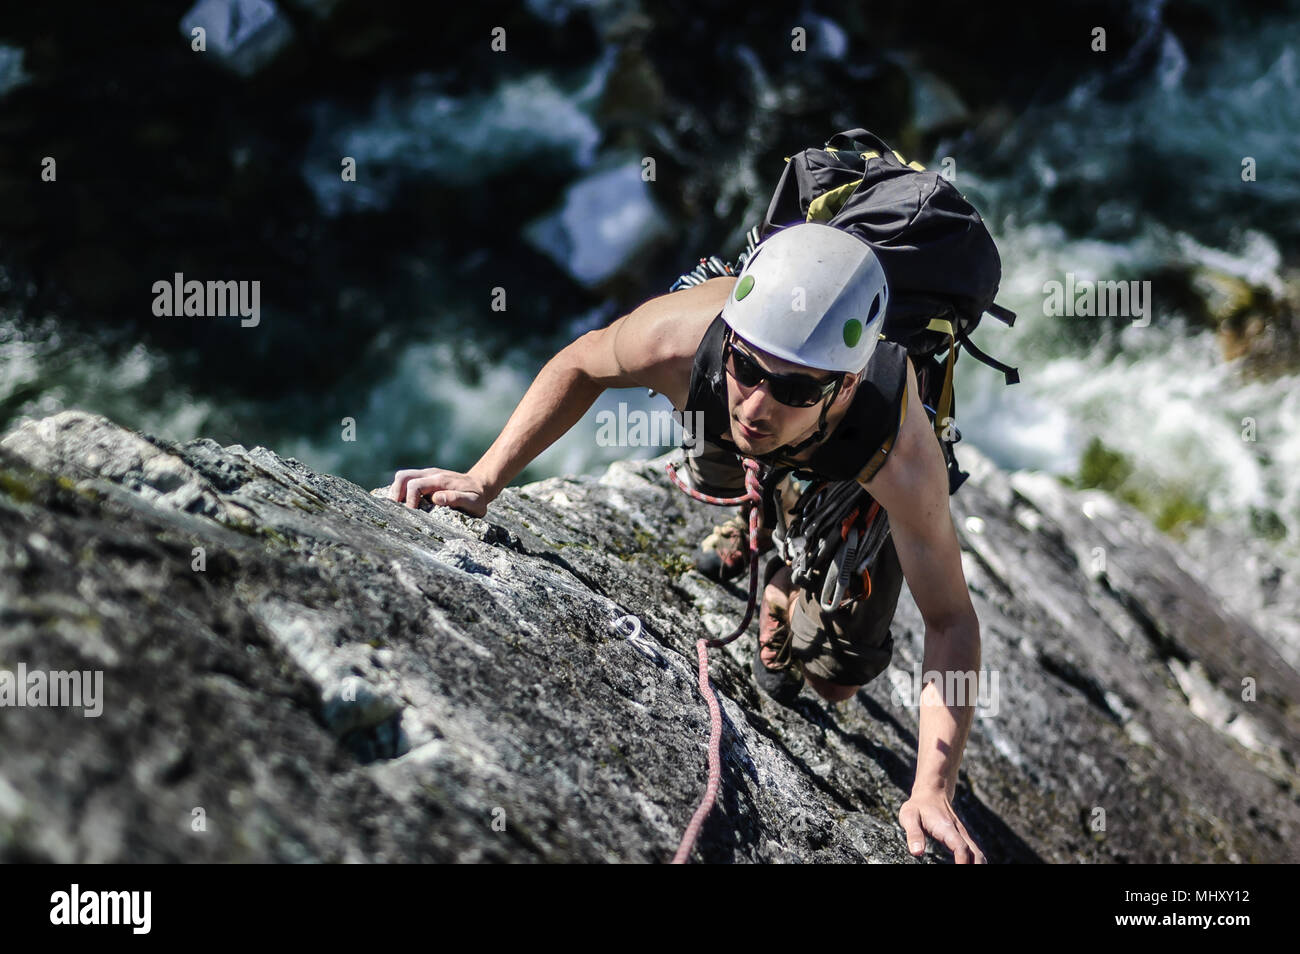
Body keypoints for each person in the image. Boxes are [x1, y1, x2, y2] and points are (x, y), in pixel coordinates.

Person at [388, 222, 986, 863]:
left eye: (792, 388)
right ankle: (763, 523)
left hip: (850, 474)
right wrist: (483, 479)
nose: (756, 404)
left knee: (835, 680)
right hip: (739, 423)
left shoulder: (895, 447)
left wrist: (932, 787)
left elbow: (950, 620)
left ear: (843, 384)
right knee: (719, 451)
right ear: (733, 340)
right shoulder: (681, 340)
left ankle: (792, 562)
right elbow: (581, 363)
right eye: (748, 369)